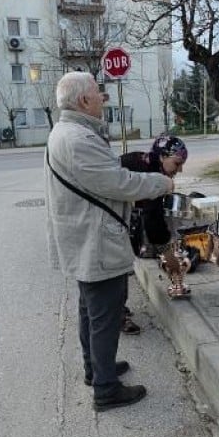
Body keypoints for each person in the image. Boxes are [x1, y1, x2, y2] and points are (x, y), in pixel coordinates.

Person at [45, 72, 175, 411]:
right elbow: (119, 182)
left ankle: (96, 369)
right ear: (84, 101)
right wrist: (161, 183)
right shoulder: (78, 139)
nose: (103, 97)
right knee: (104, 314)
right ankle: (105, 389)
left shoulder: (69, 132)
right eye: (97, 93)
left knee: (91, 311)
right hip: (95, 241)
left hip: (85, 238)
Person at [118, 134, 189, 334]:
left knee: (120, 264)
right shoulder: (151, 175)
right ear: (162, 156)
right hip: (106, 220)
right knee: (118, 266)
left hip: (115, 217)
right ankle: (116, 316)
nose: (179, 169)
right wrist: (168, 255)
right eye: (177, 163)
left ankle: (116, 309)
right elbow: (153, 220)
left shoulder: (145, 162)